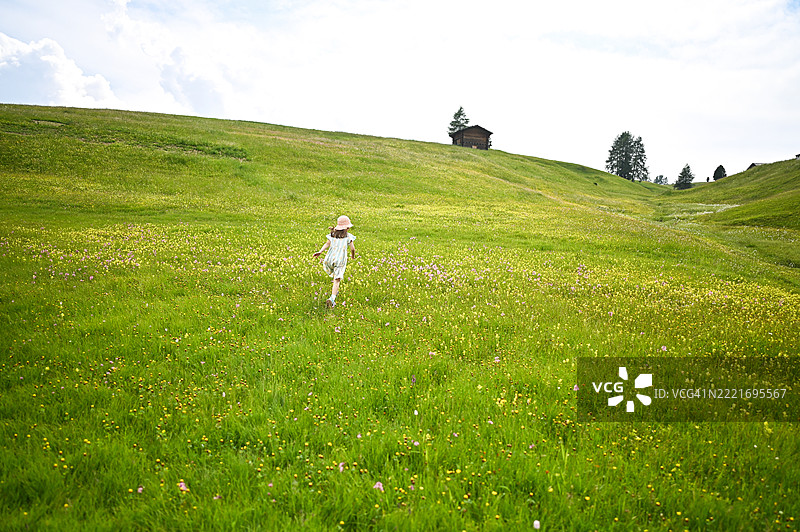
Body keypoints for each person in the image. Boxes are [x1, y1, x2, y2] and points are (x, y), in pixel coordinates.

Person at [313, 215, 356, 308]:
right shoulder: (348, 237)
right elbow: (352, 249)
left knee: (335, 275)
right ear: (347, 227)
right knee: (337, 280)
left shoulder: (332, 235)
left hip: (329, 259)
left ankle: (335, 291)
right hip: (340, 261)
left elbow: (327, 244)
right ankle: (332, 298)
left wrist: (320, 252)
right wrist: (353, 256)